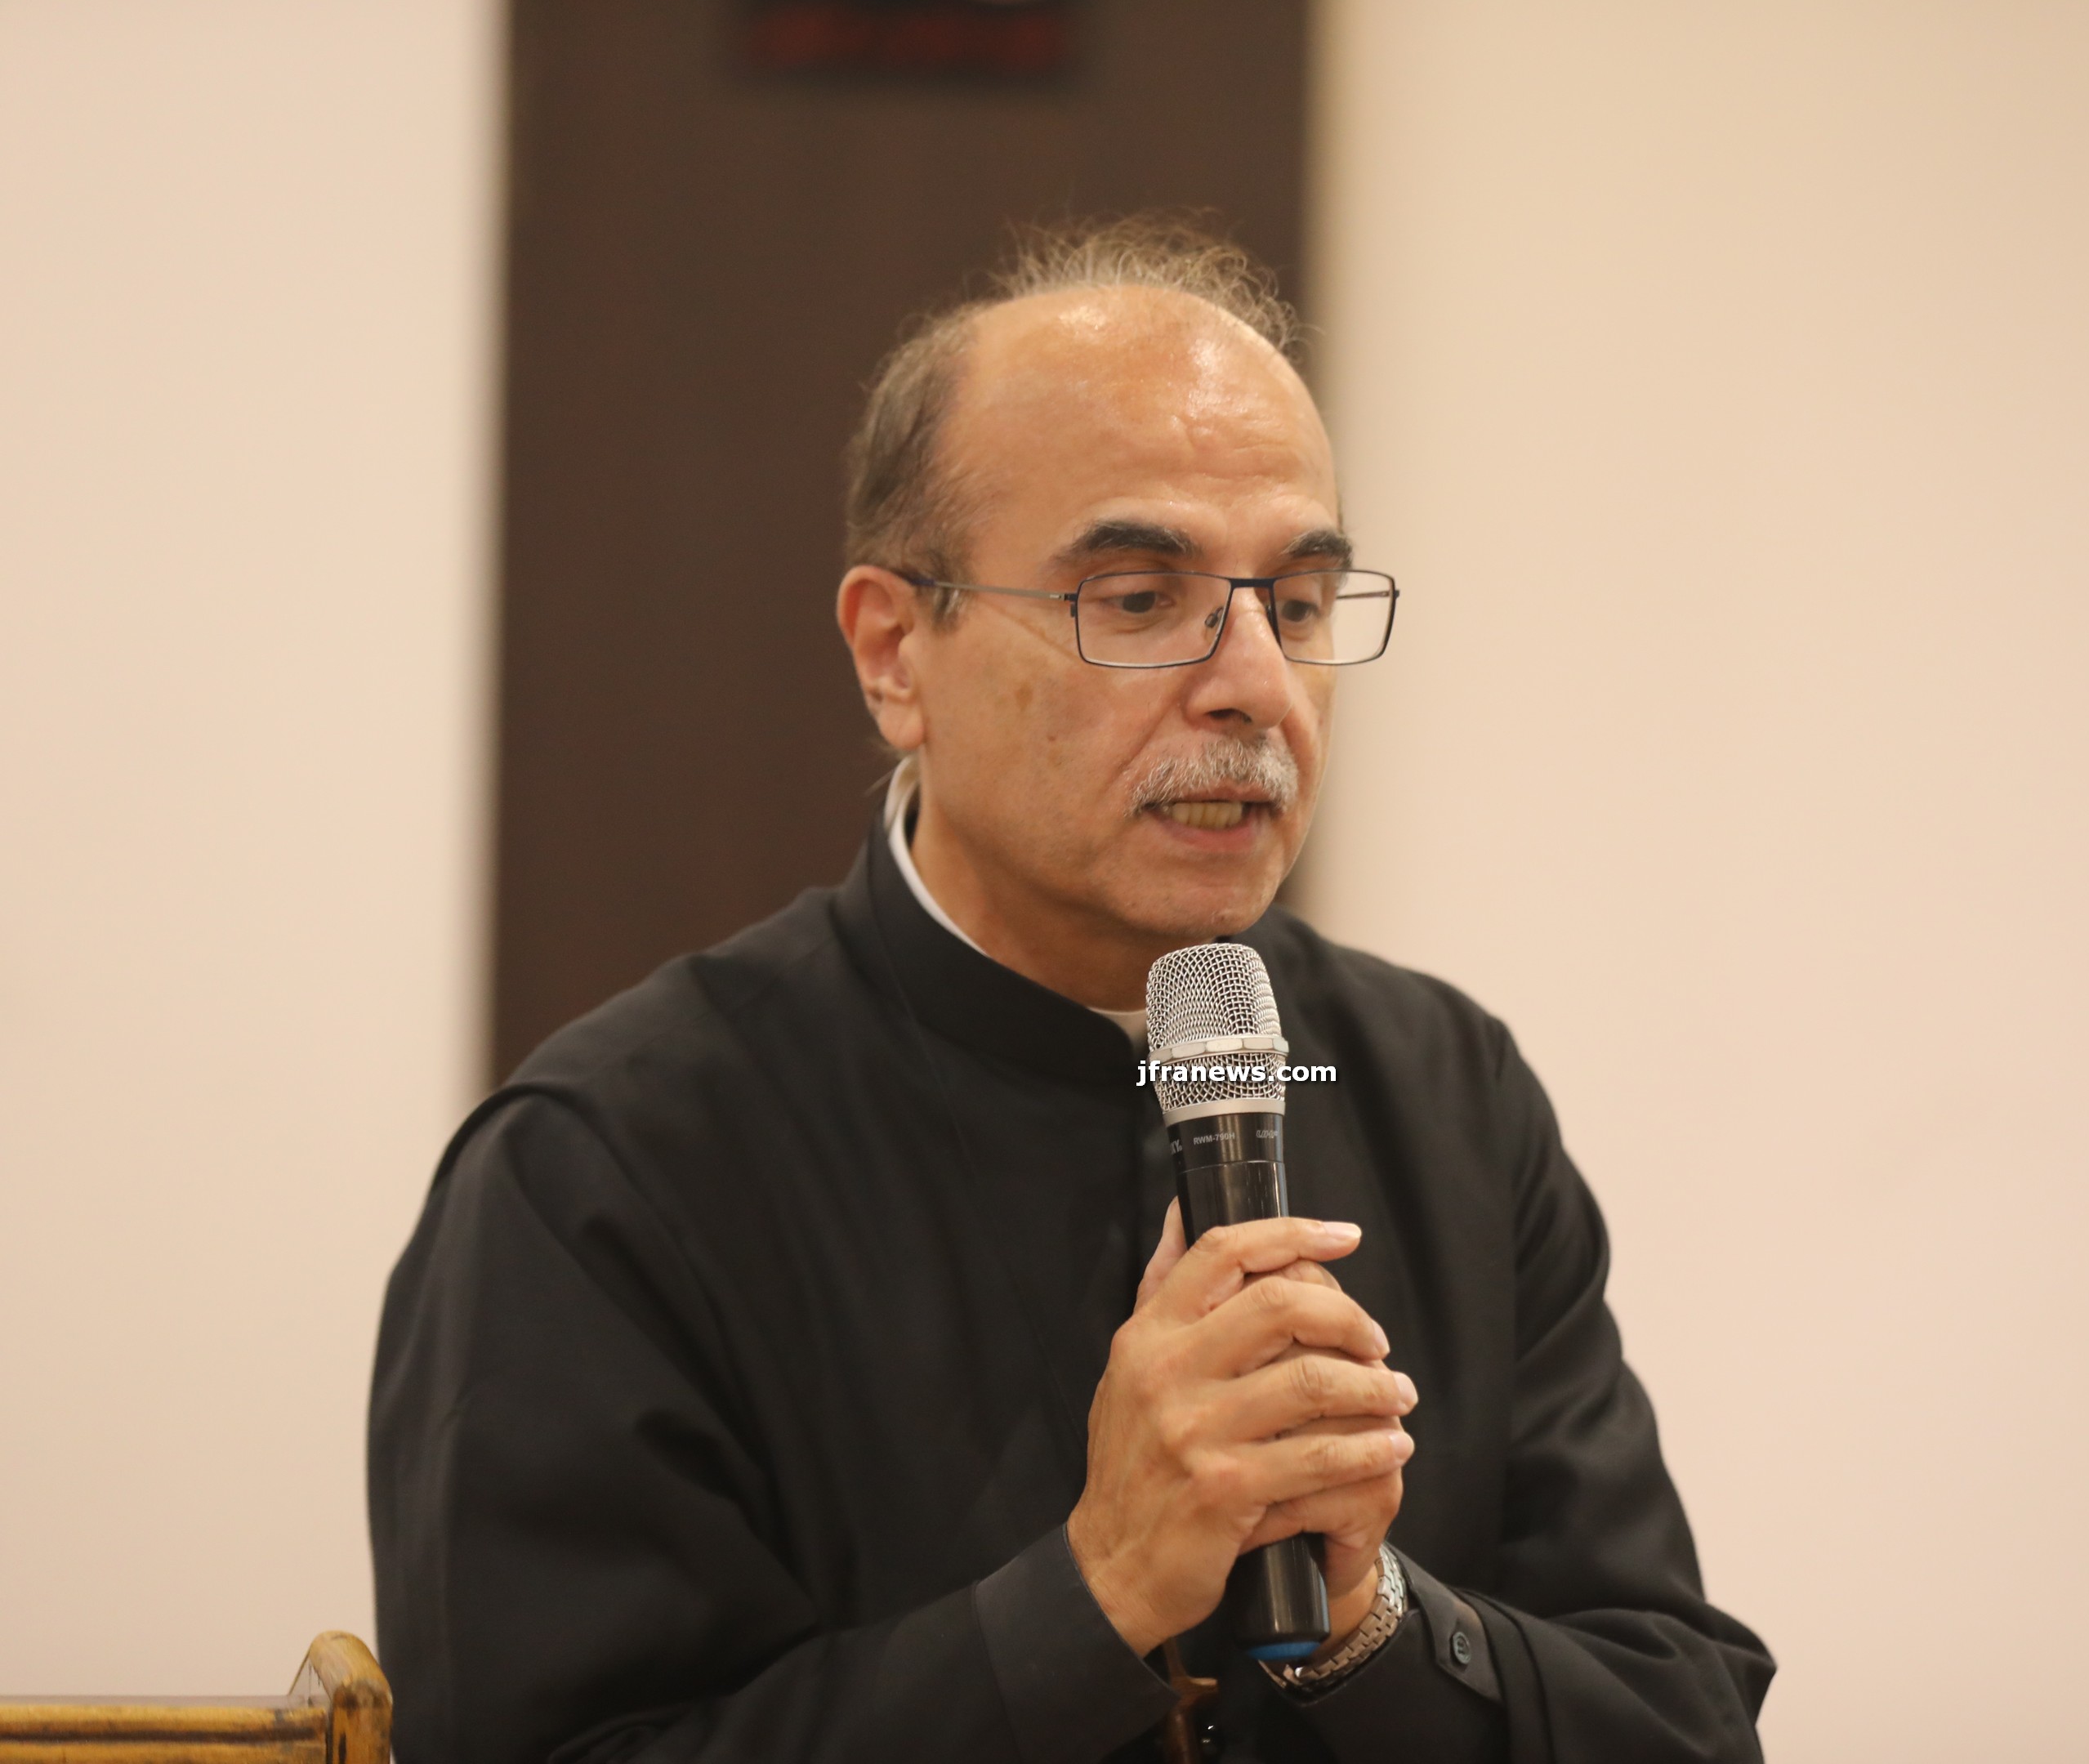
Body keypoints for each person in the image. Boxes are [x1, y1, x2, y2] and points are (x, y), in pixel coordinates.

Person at [370, 217, 1772, 1764]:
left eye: (1300, 605)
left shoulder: (1444, 1089)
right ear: (895, 653)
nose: (1256, 687)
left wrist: (1371, 1620)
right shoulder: (605, 1170)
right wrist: (1091, 1599)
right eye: (1139, 597)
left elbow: (1682, 1722)